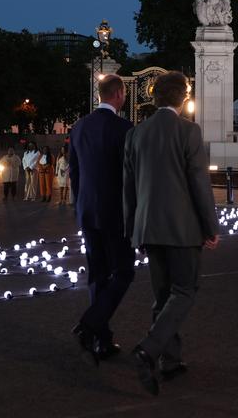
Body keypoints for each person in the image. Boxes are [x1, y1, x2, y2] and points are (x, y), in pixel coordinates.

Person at [123, 71, 220, 396]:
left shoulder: (136, 134)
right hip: (183, 228)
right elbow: (199, 184)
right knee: (184, 291)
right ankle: (149, 349)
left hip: (148, 226)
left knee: (162, 294)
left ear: (155, 97)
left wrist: (132, 230)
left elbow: (129, 189)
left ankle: (170, 359)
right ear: (183, 98)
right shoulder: (188, 131)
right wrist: (210, 227)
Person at [68, 73, 135, 364]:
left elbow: (74, 173)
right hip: (115, 212)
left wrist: (78, 207)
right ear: (119, 94)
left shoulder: (79, 126)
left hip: (87, 210)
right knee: (123, 272)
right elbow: (131, 176)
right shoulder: (125, 128)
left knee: (96, 274)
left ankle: (100, 340)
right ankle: (91, 323)